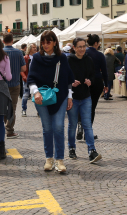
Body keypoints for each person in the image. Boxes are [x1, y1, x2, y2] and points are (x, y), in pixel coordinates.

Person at [27, 30, 75, 174]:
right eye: (43, 42)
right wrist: (35, 92)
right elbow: (31, 78)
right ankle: (49, 159)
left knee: (59, 127)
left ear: (54, 42)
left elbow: (68, 80)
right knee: (47, 128)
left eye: (48, 41)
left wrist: (70, 96)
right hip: (41, 98)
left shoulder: (62, 58)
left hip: (60, 97)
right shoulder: (36, 58)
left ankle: (60, 160)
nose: (45, 44)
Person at [67, 38, 101, 163]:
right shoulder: (68, 60)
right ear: (74, 48)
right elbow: (64, 77)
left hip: (86, 96)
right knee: (72, 125)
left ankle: (92, 151)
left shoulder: (89, 60)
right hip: (73, 98)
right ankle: (71, 148)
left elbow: (93, 75)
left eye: (84, 46)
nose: (82, 49)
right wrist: (70, 82)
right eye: (79, 46)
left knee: (87, 124)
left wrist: (90, 81)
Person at [81, 34, 107, 140]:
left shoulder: (83, 52)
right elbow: (104, 71)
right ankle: (88, 132)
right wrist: (106, 84)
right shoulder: (100, 55)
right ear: (96, 43)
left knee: (81, 105)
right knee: (92, 108)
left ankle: (80, 127)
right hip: (96, 82)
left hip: (83, 82)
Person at [2, 33, 26, 138]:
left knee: (3, 107)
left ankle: (4, 125)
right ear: (12, 41)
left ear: (3, 41)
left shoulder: (0, 53)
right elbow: (24, 69)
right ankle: (10, 130)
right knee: (12, 107)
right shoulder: (19, 52)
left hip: (2, 84)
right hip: (15, 83)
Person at [21, 43, 37, 117]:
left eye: (35, 47)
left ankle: (39, 111)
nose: (35, 48)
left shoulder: (37, 57)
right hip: (27, 79)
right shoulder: (25, 58)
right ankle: (24, 110)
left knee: (37, 95)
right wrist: (24, 77)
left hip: (36, 79)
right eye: (33, 47)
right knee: (26, 95)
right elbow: (21, 69)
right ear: (29, 49)